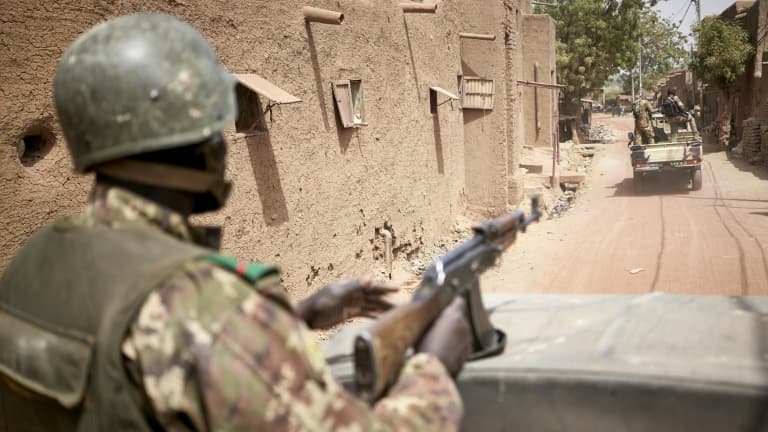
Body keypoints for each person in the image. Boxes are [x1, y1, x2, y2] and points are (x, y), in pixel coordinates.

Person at [0, 13, 472, 431]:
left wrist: (292, 319)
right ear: (195, 140)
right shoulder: (201, 305)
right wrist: (433, 367)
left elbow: (143, 371)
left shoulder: (32, 263)